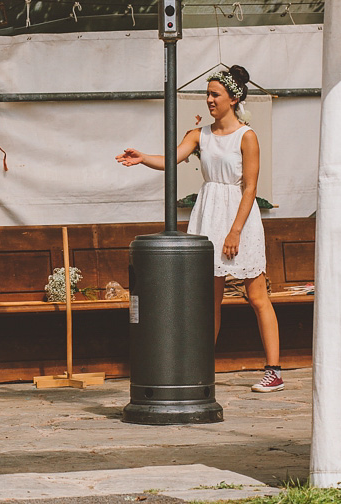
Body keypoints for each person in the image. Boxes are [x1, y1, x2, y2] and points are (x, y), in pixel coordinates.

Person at [115, 65, 283, 393]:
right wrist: (142, 157)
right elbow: (171, 158)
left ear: (233, 99)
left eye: (214, 94)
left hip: (238, 216)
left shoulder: (247, 137)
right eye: (207, 94)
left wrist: (235, 231)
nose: (208, 99)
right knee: (210, 298)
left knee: (256, 294)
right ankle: (201, 366)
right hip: (209, 212)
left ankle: (273, 370)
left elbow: (250, 187)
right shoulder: (199, 135)